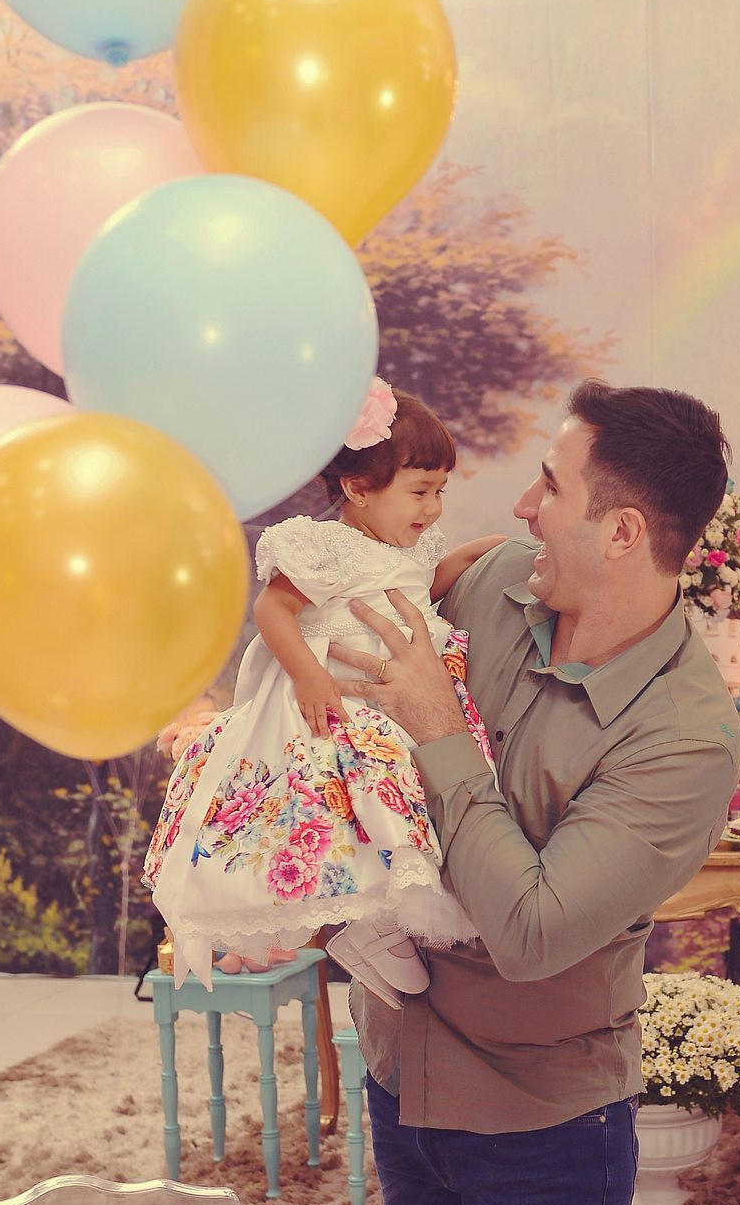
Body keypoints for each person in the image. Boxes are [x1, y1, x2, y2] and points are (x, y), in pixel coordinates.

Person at [328, 379, 740, 1205]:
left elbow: (530, 930)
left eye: (549, 486)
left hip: (540, 1128)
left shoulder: (685, 737)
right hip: (399, 1084)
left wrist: (438, 727)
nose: (522, 508)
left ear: (622, 531)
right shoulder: (494, 583)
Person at [145, 381, 501, 995]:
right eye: (420, 491)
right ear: (358, 489)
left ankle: (377, 928)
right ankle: (367, 928)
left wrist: (470, 557)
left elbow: (417, 586)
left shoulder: (412, 545)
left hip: (406, 693)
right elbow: (273, 609)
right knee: (357, 795)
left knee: (416, 802)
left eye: (440, 491)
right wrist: (310, 676)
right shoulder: (327, 546)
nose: (434, 508)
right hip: (346, 694)